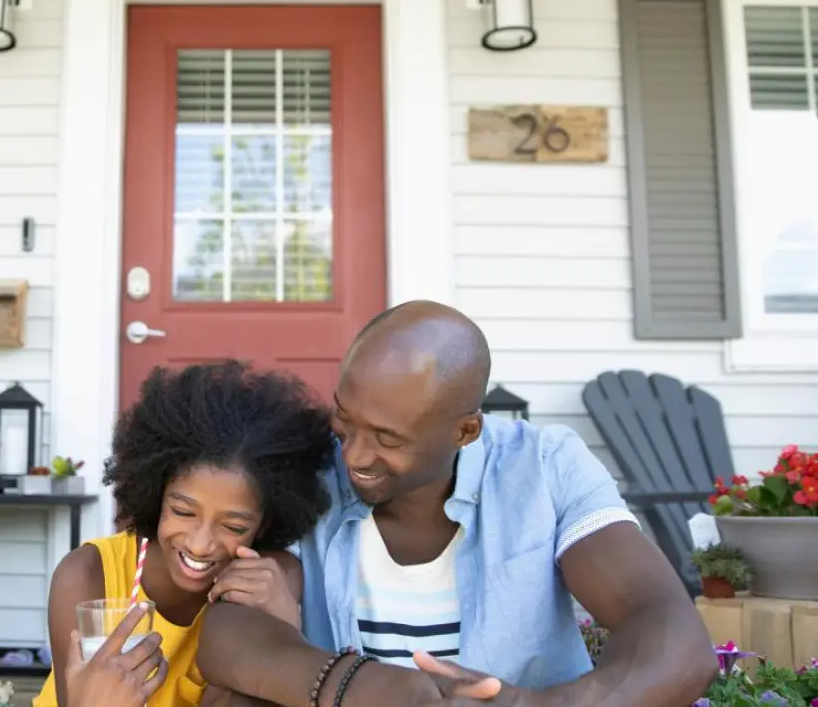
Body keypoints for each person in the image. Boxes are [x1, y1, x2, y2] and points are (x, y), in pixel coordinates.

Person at [196, 300, 719, 707]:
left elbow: (671, 633)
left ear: (466, 431)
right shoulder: (305, 467)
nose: (352, 454)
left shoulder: (545, 467)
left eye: (387, 438)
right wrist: (363, 687)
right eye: (345, 418)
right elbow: (231, 635)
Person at [35, 360, 336, 707]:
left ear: (264, 523)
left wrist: (284, 628)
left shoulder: (270, 580)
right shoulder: (88, 574)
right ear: (157, 492)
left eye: (234, 527)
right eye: (183, 511)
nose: (200, 544)